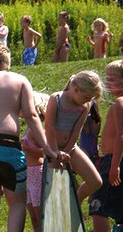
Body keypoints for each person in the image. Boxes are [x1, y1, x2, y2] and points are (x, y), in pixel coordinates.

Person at [0, 44, 63, 232]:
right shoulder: (21, 80)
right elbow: (32, 117)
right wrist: (47, 149)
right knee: (17, 202)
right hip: (6, 145)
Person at [89, 59, 123, 232]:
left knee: (98, 207)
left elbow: (122, 134)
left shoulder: (121, 103)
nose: (107, 83)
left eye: (112, 79)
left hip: (119, 161)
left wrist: (114, 167)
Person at [44, 71, 104, 204]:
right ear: (75, 89)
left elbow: (77, 129)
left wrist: (66, 150)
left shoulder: (86, 105)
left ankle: (74, 204)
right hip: (51, 149)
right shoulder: (56, 99)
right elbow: (49, 127)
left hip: (70, 148)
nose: (89, 100)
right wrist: (56, 153)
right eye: (87, 97)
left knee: (96, 182)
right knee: (55, 190)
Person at [21, 119, 44, 231]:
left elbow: (46, 152)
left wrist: (30, 148)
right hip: (28, 174)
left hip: (36, 172)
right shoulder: (28, 128)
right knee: (33, 218)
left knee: (40, 217)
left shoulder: (39, 128)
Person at [80, 100, 102, 167]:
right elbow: (95, 133)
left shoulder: (85, 118)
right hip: (94, 146)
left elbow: (87, 131)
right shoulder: (97, 119)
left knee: (85, 167)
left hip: (85, 146)